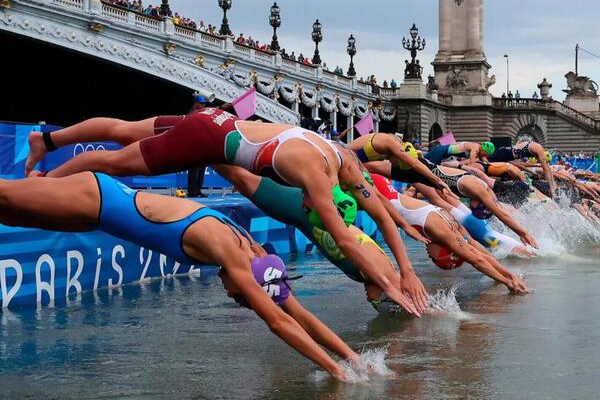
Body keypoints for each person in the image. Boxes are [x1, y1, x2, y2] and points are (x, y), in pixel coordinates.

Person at [27, 111, 429, 312]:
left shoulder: (340, 157)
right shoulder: (318, 176)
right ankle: (42, 185)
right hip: (205, 139)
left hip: (217, 121)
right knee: (115, 163)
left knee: (123, 130)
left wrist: (407, 268)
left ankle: (47, 139)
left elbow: (379, 213)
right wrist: (391, 284)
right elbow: (343, 237)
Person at [0, 172, 359, 379]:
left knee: (10, 215)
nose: (231, 295)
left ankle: (36, 184)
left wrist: (353, 359)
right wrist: (337, 372)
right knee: (5, 194)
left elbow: (296, 313)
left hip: (96, 214)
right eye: (239, 296)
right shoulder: (230, 251)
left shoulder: (254, 252)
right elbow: (278, 324)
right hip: (96, 196)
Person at [214, 165, 422, 314]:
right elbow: (355, 237)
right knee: (237, 175)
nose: (370, 301)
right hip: (300, 208)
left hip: (301, 212)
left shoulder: (377, 277)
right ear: (390, 295)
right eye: (377, 303)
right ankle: (200, 139)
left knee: (240, 176)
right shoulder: (381, 274)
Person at [370, 173, 529, 293]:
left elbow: (477, 250)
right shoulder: (441, 232)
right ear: (444, 252)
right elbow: (476, 260)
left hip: (385, 192)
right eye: (433, 258)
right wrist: (506, 281)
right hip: (381, 192)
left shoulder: (450, 225)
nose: (428, 254)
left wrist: (508, 275)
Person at [346, 134, 454, 195]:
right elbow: (415, 164)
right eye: (397, 163)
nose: (392, 164)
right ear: (399, 155)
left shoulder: (394, 145)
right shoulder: (391, 143)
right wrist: (439, 182)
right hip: (341, 157)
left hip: (350, 163)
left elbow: (417, 156)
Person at [488, 141, 556, 198]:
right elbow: (546, 170)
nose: (537, 161)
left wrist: (553, 185)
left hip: (505, 154)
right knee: (486, 166)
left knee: (490, 168)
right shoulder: (539, 150)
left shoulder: (536, 149)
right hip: (503, 154)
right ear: (543, 158)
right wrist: (552, 190)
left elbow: (548, 169)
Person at [424, 141, 496, 165]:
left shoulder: (478, 149)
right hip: (440, 151)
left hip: (441, 149)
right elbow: (472, 162)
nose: (486, 156)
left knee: (421, 159)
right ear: (484, 150)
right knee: (430, 170)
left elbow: (485, 161)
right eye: (486, 154)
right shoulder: (475, 148)